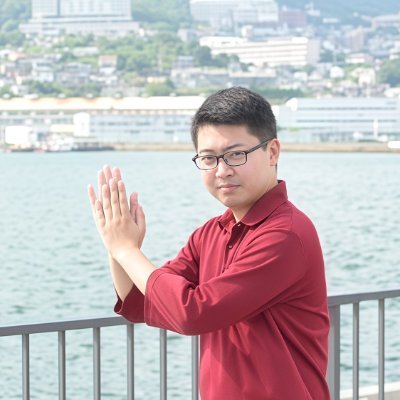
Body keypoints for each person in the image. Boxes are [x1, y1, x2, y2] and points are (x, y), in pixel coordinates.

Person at [88, 87, 330, 399]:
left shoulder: (285, 234)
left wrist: (127, 249)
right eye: (208, 158)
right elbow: (140, 299)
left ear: (272, 152)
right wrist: (115, 242)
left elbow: (192, 313)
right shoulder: (210, 233)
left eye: (236, 154)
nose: (222, 170)